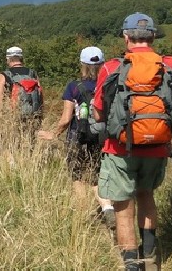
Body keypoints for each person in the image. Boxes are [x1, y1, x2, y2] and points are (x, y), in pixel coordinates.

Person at [93, 13, 172, 271]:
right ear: (153, 37)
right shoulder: (170, 65)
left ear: (126, 37)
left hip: (120, 149)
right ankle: (150, 264)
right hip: (158, 147)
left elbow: (98, 112)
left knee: (123, 207)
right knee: (146, 196)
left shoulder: (112, 67)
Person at [37, 46, 115, 229]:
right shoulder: (109, 85)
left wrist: (53, 134)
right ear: (102, 64)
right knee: (97, 176)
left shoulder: (73, 87)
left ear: (82, 64)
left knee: (77, 176)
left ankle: (83, 217)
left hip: (76, 137)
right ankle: (107, 207)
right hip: (100, 137)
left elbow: (66, 119)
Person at [0, 46, 43, 151]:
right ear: (21, 58)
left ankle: (14, 159)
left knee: (13, 144)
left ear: (8, 59)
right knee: (31, 143)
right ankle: (30, 158)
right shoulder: (32, 73)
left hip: (13, 116)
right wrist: (40, 115)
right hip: (33, 115)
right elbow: (40, 94)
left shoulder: (4, 75)